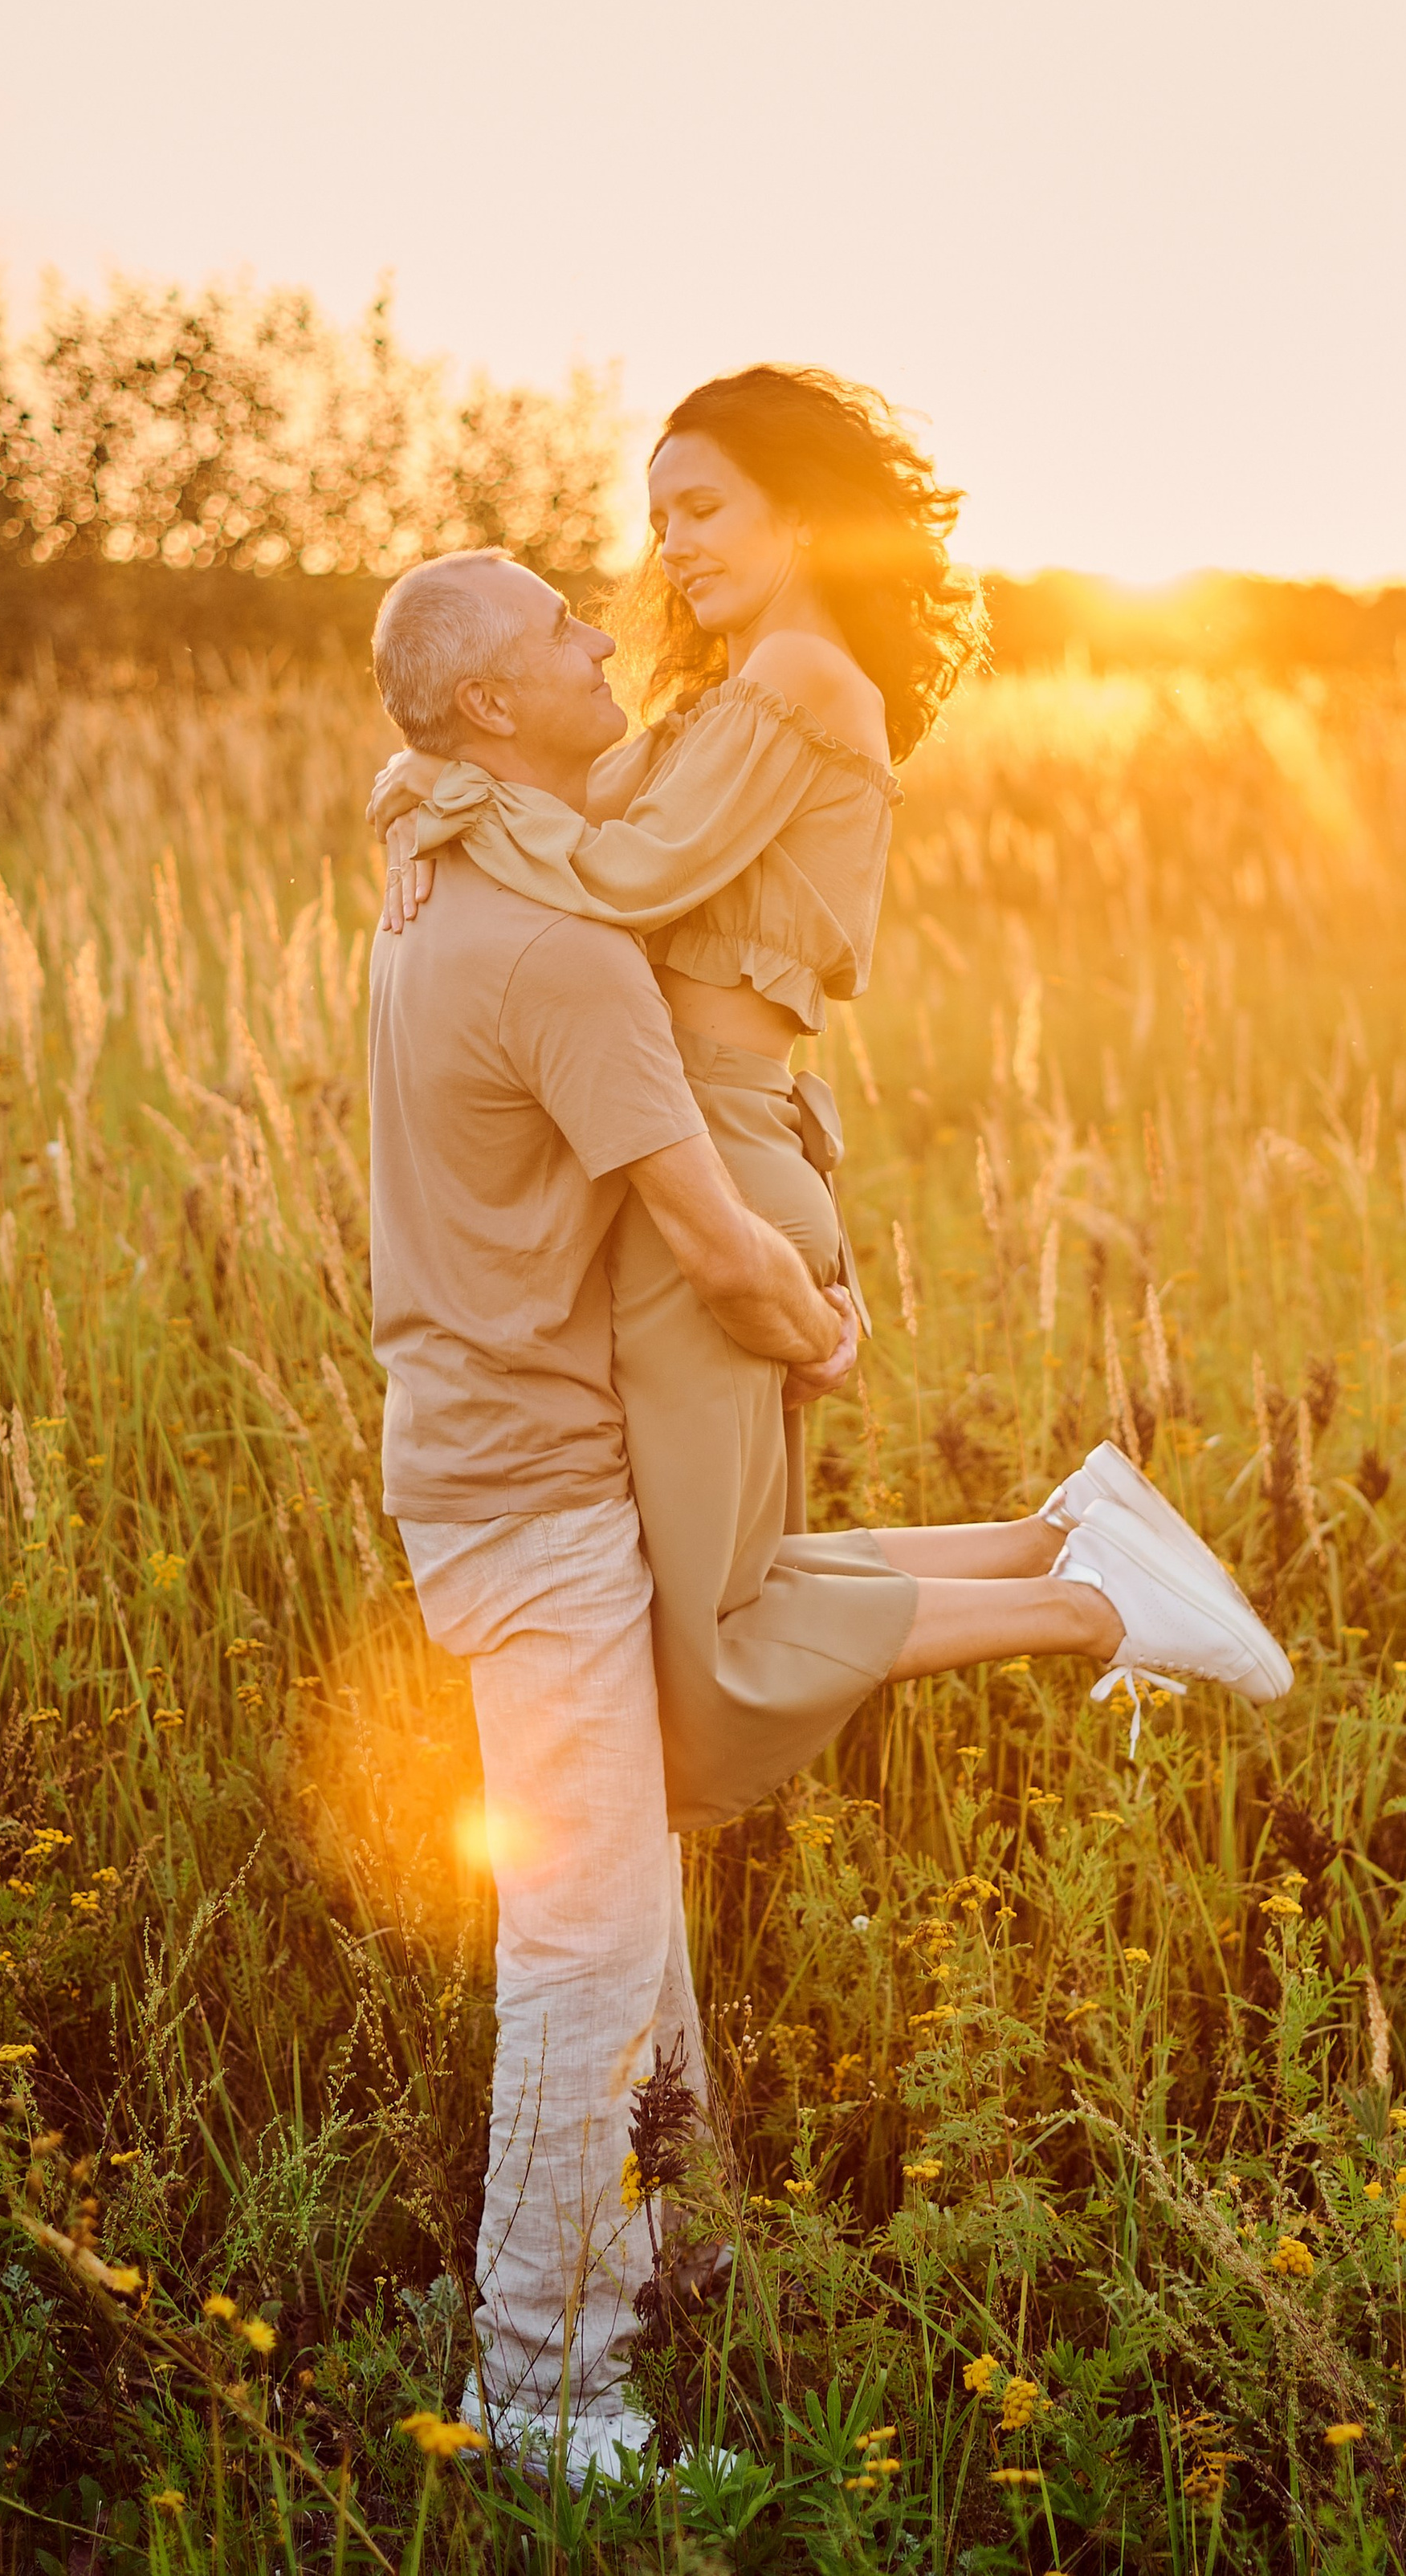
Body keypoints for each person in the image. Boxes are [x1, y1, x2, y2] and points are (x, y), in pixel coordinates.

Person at [366, 539, 1288, 2484]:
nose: (596, 630)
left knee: (643, 1912)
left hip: (493, 1464)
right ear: (480, 705)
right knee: (586, 1956)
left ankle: (679, 2267)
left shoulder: (437, 877)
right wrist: (828, 1328)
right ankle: (544, 2397)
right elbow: (710, 1240)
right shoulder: (558, 948)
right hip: (530, 1497)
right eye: (554, 628)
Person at [374, 370, 1290, 1844]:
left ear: (798, 514)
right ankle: (1065, 1538)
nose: (670, 543)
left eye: (705, 505)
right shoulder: (731, 696)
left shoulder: (803, 686)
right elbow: (539, 790)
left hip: (719, 1150)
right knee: (723, 1593)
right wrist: (418, 788)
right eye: (657, 512)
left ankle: (1082, 1602)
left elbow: (615, 879)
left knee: (714, 1649)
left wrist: (449, 807)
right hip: (702, 1144)